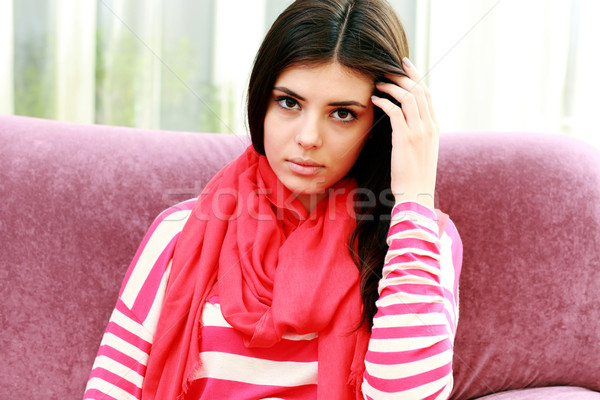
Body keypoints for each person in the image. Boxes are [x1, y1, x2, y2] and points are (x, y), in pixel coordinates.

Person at [83, 0, 462, 399]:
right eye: (289, 102)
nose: (308, 137)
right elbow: (111, 391)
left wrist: (413, 199)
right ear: (261, 100)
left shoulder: (421, 239)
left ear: (378, 126)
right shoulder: (177, 232)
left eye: (343, 114)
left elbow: (408, 396)